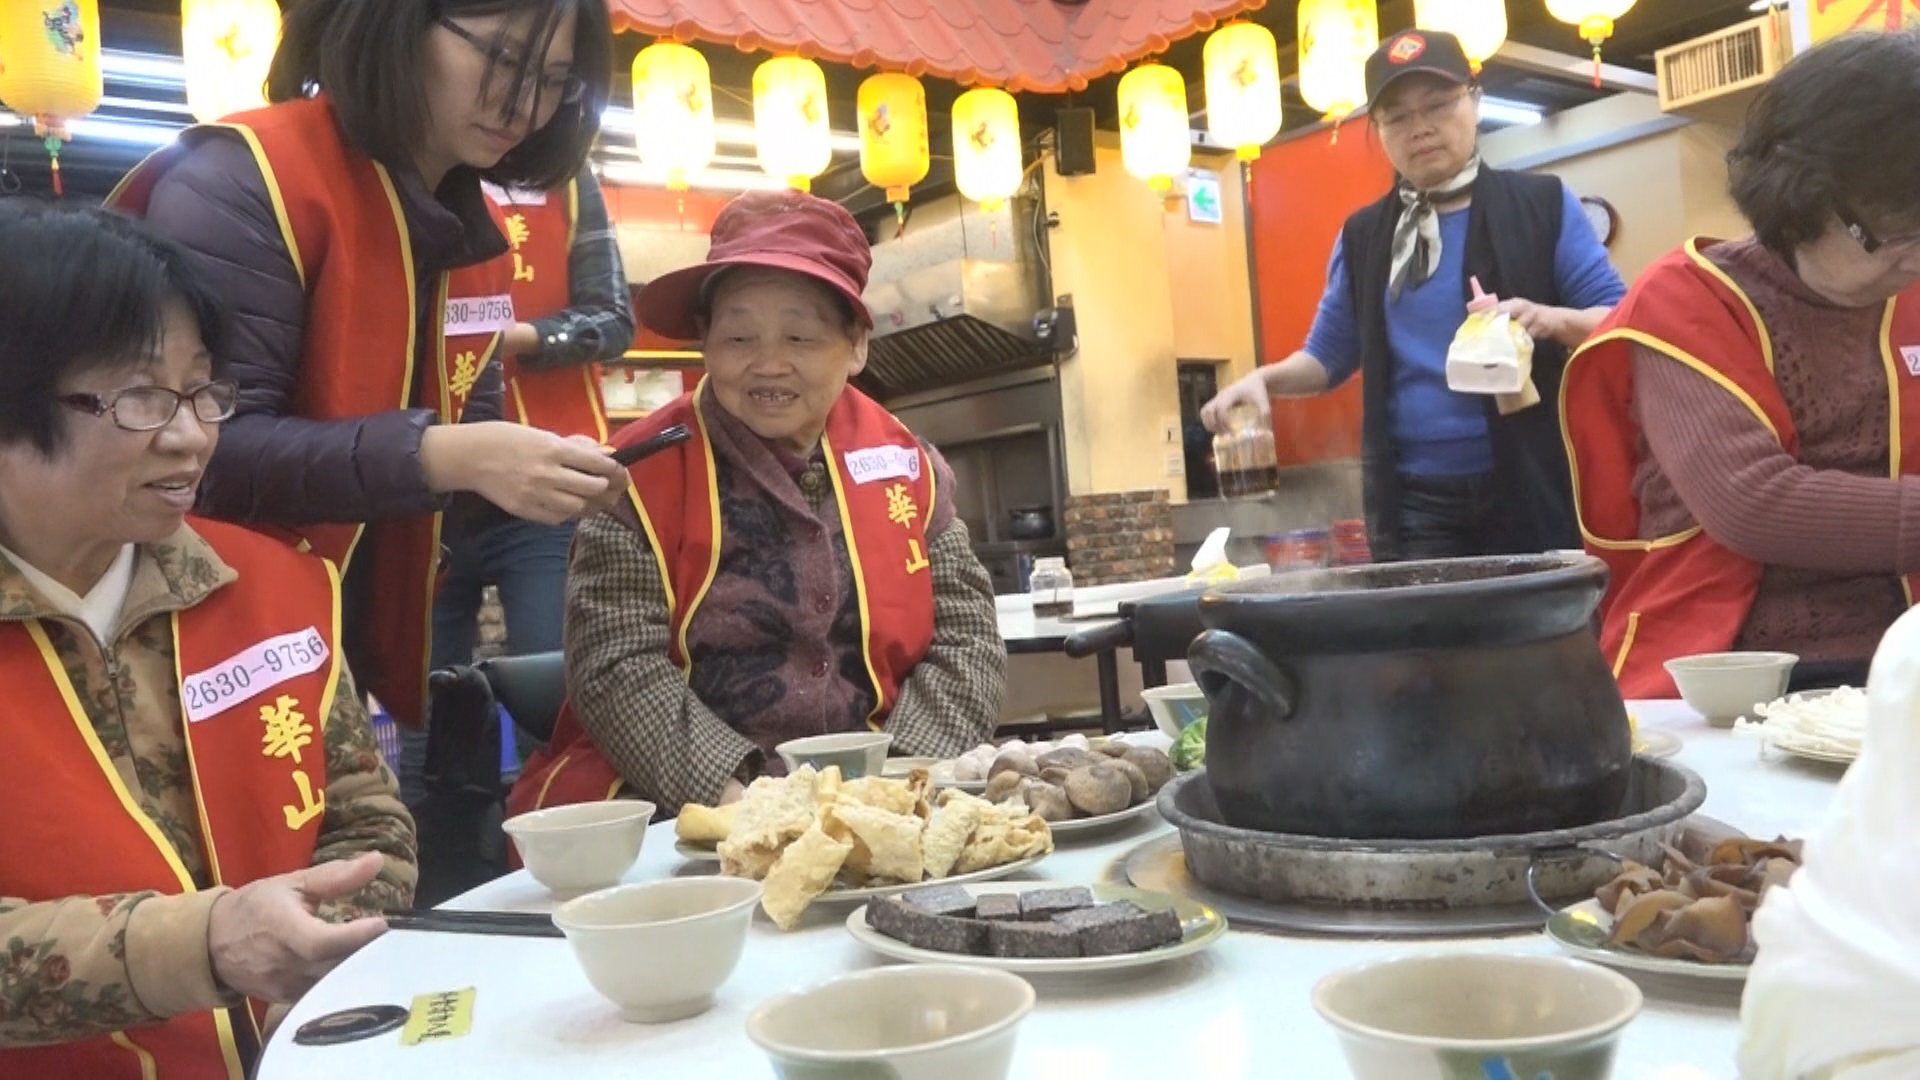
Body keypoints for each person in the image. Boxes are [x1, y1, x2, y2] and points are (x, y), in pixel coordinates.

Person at [109, 0, 631, 735]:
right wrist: (443, 453)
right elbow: (196, 455)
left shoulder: (463, 228)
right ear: (396, 24)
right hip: (206, 639)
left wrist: (548, 468)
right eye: (504, 59)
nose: (526, 104)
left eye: (553, 79)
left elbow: (467, 433)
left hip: (344, 629)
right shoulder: (247, 177)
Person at [0, 204, 414, 1077]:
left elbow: (364, 814)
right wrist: (208, 946)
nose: (190, 434)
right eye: (142, 396)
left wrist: (313, 945)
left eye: (202, 390)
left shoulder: (272, 588)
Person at [507, 190, 1006, 816]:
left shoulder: (911, 469)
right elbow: (615, 664)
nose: (768, 364)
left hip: (889, 795)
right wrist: (740, 805)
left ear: (855, 346)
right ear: (706, 344)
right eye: (740, 337)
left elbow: (968, 641)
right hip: (684, 803)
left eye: (799, 336)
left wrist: (902, 779)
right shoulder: (634, 476)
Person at [1560, 30, 1920, 698]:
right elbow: (1755, 503)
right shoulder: (1688, 299)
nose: (1915, 261)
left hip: (1904, 657)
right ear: (1799, 193)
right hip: (1734, 674)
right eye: (1894, 234)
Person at [1201, 29, 1625, 561]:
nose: (1420, 128)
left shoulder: (1541, 205)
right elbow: (1328, 357)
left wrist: (1549, 318)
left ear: (1475, 100)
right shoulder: (1364, 236)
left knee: (1532, 639)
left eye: (1439, 105)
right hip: (1416, 501)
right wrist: (1264, 379)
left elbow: (1619, 319)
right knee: (1431, 641)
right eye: (1396, 116)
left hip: (1531, 480)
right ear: (1376, 130)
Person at [401, 163, 635, 807]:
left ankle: (563, 848)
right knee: (421, 709)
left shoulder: (563, 178)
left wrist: (506, 339)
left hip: (542, 483)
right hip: (424, 488)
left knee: (559, 691)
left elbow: (614, 319)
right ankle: (433, 873)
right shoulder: (403, 166)